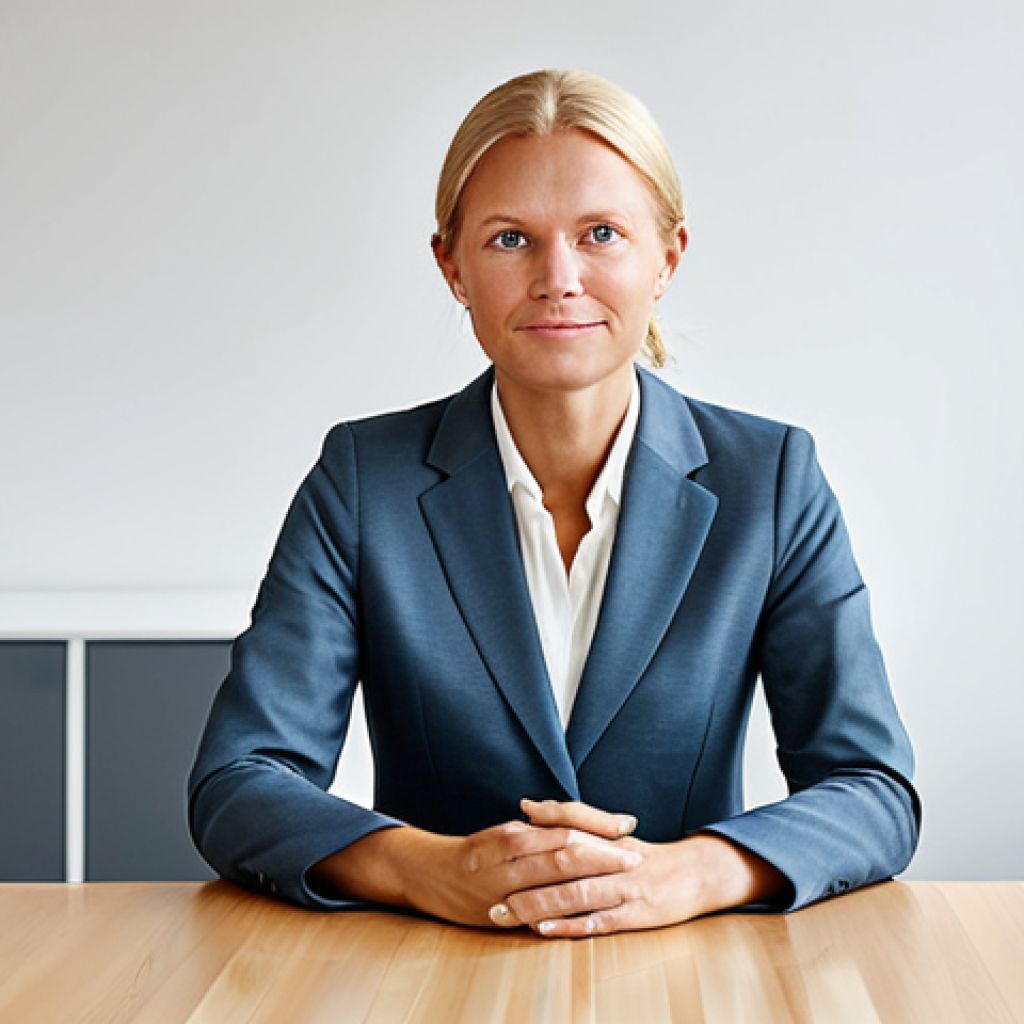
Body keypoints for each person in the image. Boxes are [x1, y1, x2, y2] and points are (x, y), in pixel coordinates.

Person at [188, 69, 920, 938]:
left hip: (687, 976)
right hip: (434, 970)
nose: (557, 278)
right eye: (509, 240)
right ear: (451, 266)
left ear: (667, 258)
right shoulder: (363, 480)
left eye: (602, 234)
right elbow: (239, 781)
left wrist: (689, 874)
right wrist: (426, 869)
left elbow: (873, 791)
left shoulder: (770, 479)